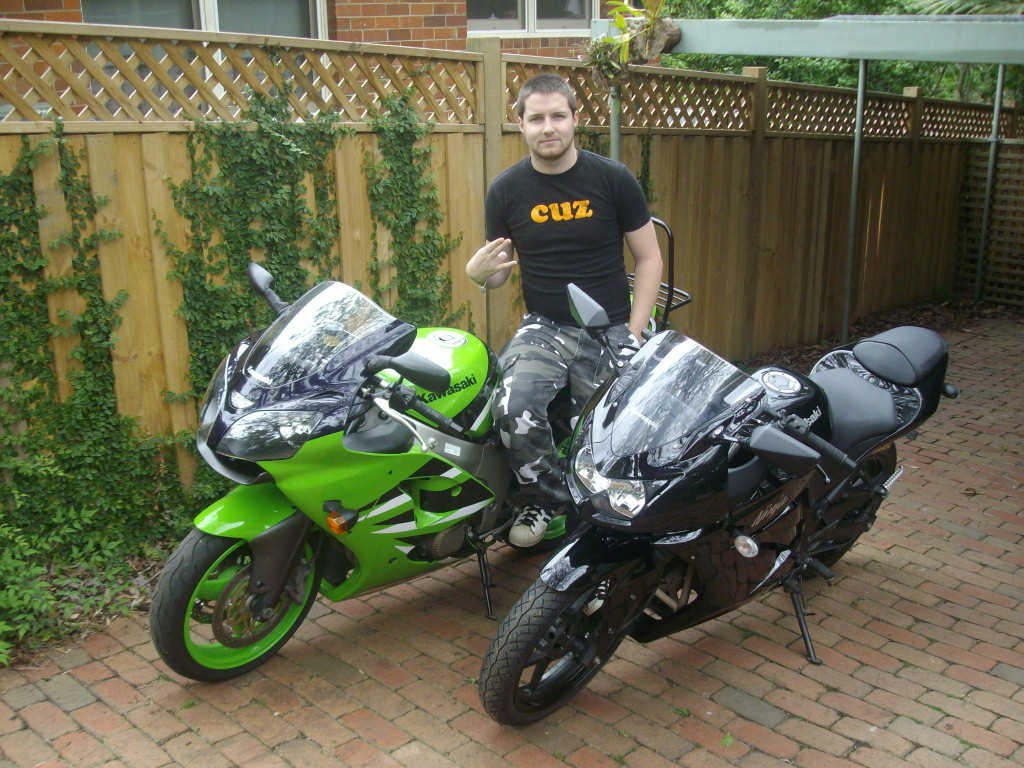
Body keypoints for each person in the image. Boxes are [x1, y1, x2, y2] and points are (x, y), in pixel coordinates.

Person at [466, 72, 663, 547]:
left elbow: (649, 258)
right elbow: (499, 274)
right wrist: (478, 275)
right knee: (511, 407)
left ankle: (611, 518)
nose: (548, 127)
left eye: (558, 115)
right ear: (520, 124)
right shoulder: (506, 190)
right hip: (546, 326)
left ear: (576, 118)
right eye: (536, 118)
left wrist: (635, 332)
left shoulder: (612, 179)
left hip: (611, 326)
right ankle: (550, 499)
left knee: (606, 431)